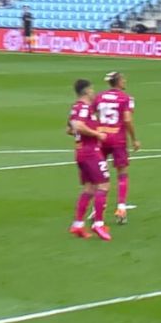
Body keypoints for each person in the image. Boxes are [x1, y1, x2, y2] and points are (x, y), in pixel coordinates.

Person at [67, 79, 112, 241]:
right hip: (91, 152)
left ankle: (78, 225)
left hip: (80, 152)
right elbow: (78, 126)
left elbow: (69, 129)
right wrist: (96, 134)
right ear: (86, 91)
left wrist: (84, 132)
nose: (94, 92)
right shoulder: (84, 108)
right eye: (92, 90)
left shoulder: (75, 108)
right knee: (104, 184)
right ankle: (98, 224)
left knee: (89, 188)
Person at [92, 71, 139, 225]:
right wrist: (134, 139)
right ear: (118, 82)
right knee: (122, 173)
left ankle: (97, 207)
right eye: (123, 79)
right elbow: (127, 119)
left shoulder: (99, 96)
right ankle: (121, 208)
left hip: (102, 137)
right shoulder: (126, 98)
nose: (125, 81)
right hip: (118, 138)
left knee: (100, 173)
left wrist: (96, 130)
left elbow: (91, 115)